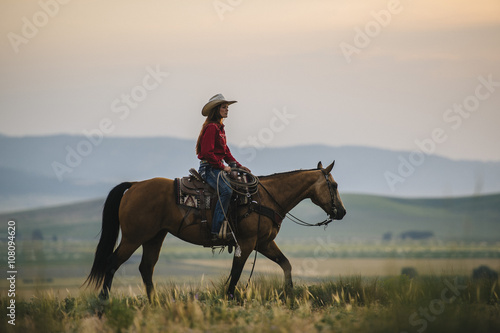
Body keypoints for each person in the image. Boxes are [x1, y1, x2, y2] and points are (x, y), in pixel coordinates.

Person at [196, 94, 250, 240]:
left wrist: (238, 166)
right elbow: (207, 152)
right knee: (226, 191)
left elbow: (226, 152)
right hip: (209, 169)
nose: (227, 110)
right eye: (224, 107)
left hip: (216, 168)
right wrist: (222, 166)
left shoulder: (220, 128)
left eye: (227, 107)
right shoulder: (212, 127)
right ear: (216, 109)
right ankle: (216, 230)